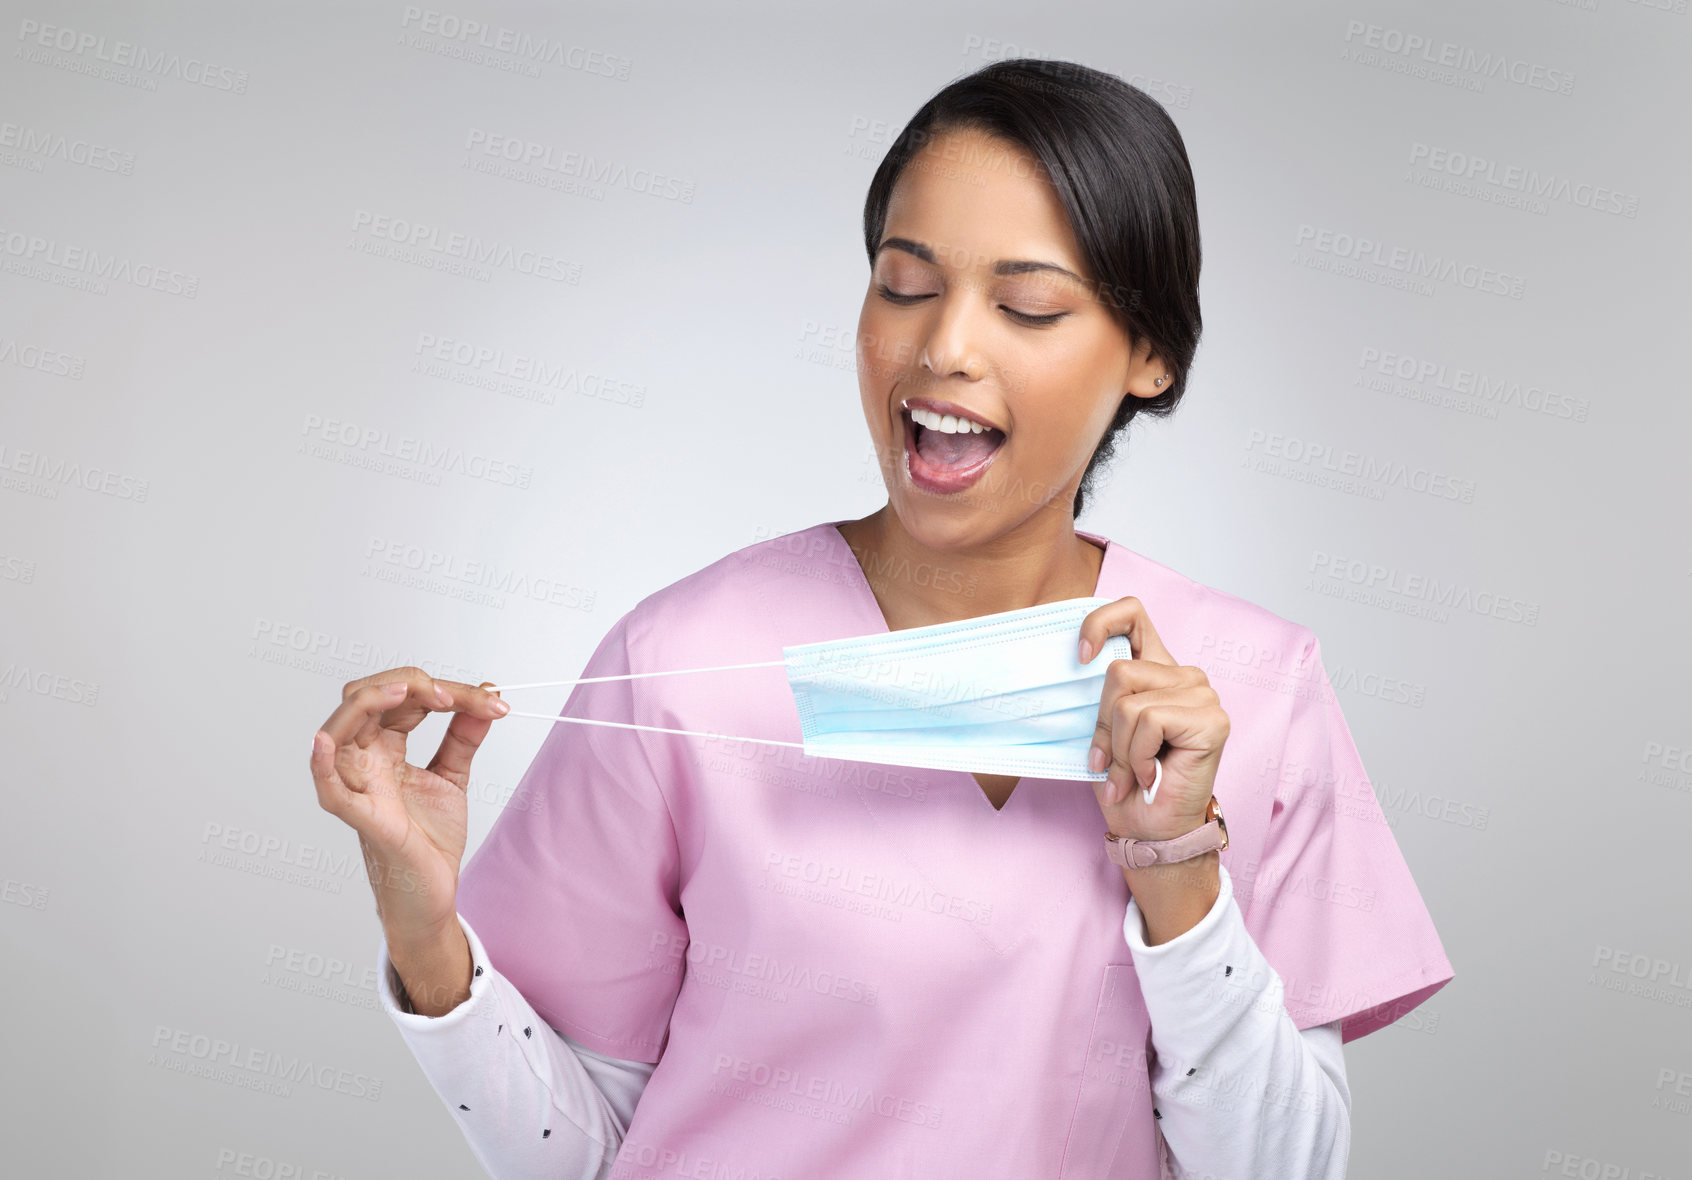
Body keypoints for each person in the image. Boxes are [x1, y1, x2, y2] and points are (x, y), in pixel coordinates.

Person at [309, 58, 1453, 1179]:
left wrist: (1176, 871)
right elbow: (581, 1154)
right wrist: (427, 936)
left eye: (1028, 305)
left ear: (1148, 354)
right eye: (905, 284)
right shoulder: (683, 660)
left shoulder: (1255, 688)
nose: (943, 347)